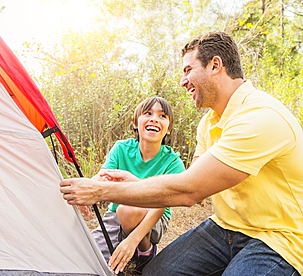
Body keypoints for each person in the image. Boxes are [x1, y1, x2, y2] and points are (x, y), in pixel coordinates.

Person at [60, 31, 303, 275]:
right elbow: (195, 183)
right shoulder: (209, 123)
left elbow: (189, 190)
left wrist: (98, 191)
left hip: (280, 239)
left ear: (215, 65)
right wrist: (135, 183)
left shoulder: (259, 117)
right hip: (227, 227)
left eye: (188, 70)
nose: (182, 81)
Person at [88, 96, 185, 275]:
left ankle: (144, 253)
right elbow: (102, 177)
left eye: (162, 116)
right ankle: (124, 248)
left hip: (154, 217)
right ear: (135, 123)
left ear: (169, 129)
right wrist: (87, 191)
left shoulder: (173, 162)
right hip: (115, 216)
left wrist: (133, 240)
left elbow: (161, 205)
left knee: (128, 210)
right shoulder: (122, 148)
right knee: (88, 257)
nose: (154, 119)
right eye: (148, 113)